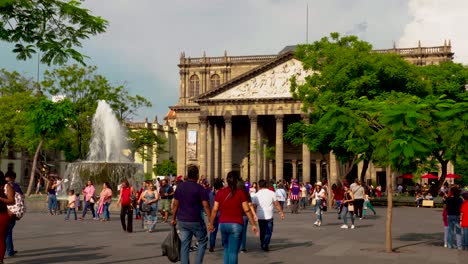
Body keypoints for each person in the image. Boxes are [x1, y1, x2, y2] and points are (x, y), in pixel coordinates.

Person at [208, 171, 258, 264]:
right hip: (236, 224)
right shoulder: (241, 193)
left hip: (223, 224)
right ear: (236, 181)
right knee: (233, 252)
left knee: (226, 249)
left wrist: (211, 223)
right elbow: (247, 210)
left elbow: (214, 210)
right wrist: (253, 224)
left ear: (226, 180)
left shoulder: (220, 193)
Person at [172, 165, 211, 264]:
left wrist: (173, 218)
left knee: (185, 244)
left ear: (187, 175)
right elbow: (206, 205)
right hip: (195, 219)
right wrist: (211, 220)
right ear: (197, 175)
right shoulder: (199, 188)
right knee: (202, 241)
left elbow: (175, 204)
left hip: (183, 220)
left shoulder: (180, 186)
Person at [252, 179, 284, 252]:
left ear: (259, 185)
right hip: (269, 215)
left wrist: (254, 214)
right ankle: (265, 244)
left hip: (260, 216)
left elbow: (254, 206)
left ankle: (263, 243)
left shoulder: (256, 195)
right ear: (266, 185)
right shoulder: (272, 193)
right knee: (269, 231)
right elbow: (277, 204)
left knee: (262, 231)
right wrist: (281, 212)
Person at [4, 170, 22, 258]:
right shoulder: (14, 185)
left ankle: (9, 249)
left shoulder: (3, 185)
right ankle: (9, 251)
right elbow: (21, 196)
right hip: (12, 212)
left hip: (4, 210)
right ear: (14, 178)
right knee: (8, 233)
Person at [0, 171, 15, 264]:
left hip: (2, 215)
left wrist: (0, 198)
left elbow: (11, 200)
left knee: (1, 238)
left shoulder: (6, 186)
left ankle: (0, 259)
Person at [208, 178, 224, 252]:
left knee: (213, 231)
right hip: (222, 214)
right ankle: (224, 244)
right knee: (223, 231)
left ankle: (211, 245)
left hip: (213, 215)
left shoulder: (210, 194)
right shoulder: (222, 194)